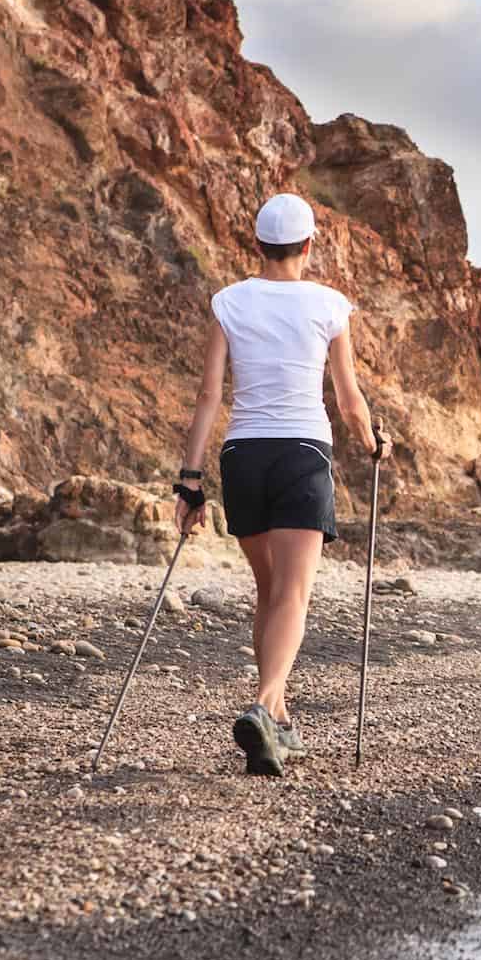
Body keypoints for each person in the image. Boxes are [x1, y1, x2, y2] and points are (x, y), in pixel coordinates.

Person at [171, 192, 387, 776]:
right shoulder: (328, 304)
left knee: (269, 590)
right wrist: (373, 443)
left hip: (242, 457)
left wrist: (189, 480)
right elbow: (347, 398)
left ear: (258, 244)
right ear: (309, 246)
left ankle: (280, 722)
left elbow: (210, 395)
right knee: (294, 593)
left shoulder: (229, 302)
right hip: (300, 455)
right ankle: (264, 708)